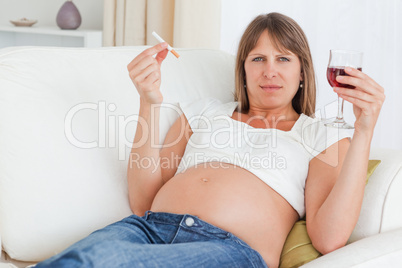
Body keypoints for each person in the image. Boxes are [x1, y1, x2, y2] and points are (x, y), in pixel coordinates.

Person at [35, 12, 384, 268]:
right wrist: (149, 102)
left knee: (101, 261)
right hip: (146, 229)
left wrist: (364, 130)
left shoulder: (321, 135)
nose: (270, 70)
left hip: (229, 250)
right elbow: (143, 202)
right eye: (258, 58)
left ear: (303, 72)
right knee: (78, 259)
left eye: (283, 58)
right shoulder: (201, 112)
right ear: (243, 70)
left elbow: (329, 238)